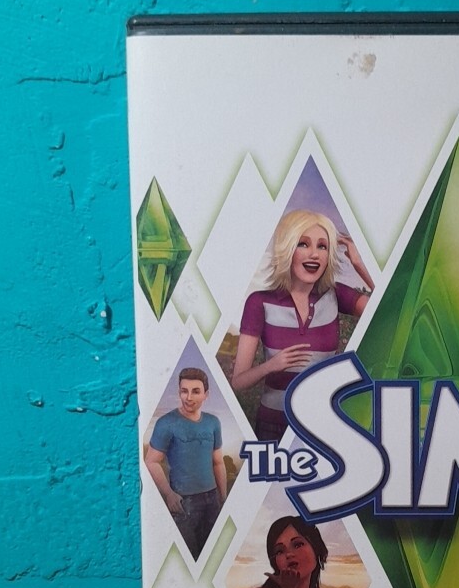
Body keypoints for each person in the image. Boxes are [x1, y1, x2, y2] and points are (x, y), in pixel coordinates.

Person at [232, 210, 373, 440]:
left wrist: (358, 264)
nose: (314, 254)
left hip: (323, 426)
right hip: (272, 428)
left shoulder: (335, 294)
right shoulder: (259, 302)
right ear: (287, 248)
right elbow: (238, 382)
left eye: (322, 246)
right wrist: (271, 366)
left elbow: (386, 309)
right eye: (303, 244)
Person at [144, 368, 227, 560]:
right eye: (184, 391)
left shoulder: (213, 422)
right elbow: (151, 461)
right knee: (188, 557)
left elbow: (218, 462)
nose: (188, 397)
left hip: (212, 499)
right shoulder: (166, 423)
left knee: (213, 556)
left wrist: (223, 497)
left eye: (195, 391)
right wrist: (169, 494)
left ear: (206, 394)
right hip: (184, 501)